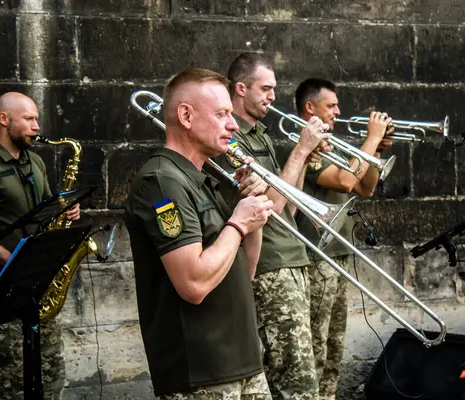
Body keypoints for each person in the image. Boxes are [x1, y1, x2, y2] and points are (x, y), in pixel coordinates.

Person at [124, 68, 275, 399]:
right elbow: (193, 284)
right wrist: (237, 223)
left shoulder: (202, 179)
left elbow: (242, 272)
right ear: (186, 116)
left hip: (243, 361)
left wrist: (252, 217)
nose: (233, 125)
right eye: (222, 114)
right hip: (203, 373)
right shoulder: (162, 181)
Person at [210, 53, 330, 400]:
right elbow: (271, 208)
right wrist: (299, 150)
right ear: (241, 88)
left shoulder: (260, 134)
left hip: (292, 258)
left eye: (274, 89)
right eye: (266, 88)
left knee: (305, 370)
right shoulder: (230, 140)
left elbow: (290, 204)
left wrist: (307, 156)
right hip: (269, 266)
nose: (273, 97)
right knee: (295, 380)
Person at [0, 92, 80, 400]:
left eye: (36, 119)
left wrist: (65, 210)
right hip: (7, 284)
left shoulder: (36, 161)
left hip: (39, 286)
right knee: (14, 382)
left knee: (52, 376)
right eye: (28, 119)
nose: (36, 126)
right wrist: (12, 262)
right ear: (4, 119)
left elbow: (45, 208)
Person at [289, 78, 393, 399]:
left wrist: (374, 150)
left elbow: (365, 187)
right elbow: (347, 181)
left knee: (334, 349)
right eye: (331, 105)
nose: (338, 111)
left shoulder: (331, 144)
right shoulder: (300, 144)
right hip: (316, 260)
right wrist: (371, 138)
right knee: (316, 348)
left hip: (339, 255)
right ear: (310, 108)